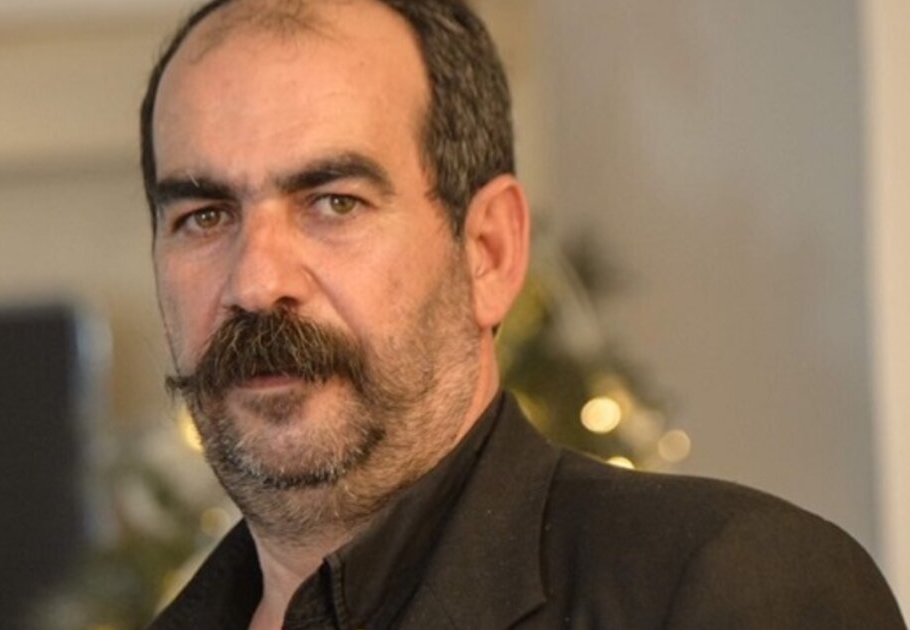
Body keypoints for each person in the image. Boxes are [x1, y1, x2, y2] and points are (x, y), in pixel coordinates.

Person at [138, 0, 906, 628]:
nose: (256, 281)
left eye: (335, 202)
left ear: (489, 252)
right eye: (203, 217)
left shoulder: (731, 590)